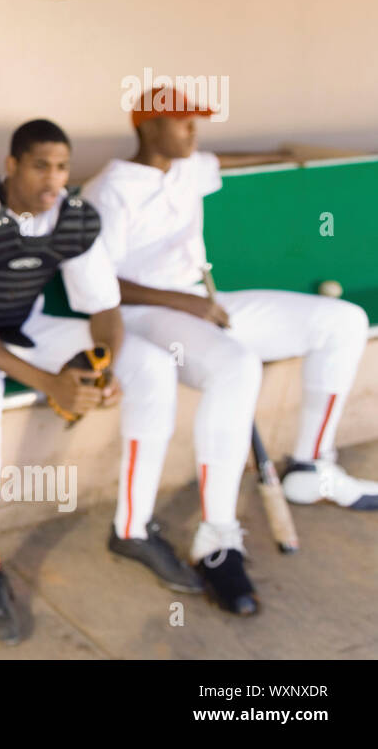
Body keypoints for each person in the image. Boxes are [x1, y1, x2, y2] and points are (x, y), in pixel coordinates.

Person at [83, 86, 376, 610]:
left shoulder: (187, 166)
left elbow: (229, 160)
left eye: (196, 121)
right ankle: (217, 535)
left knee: (343, 321)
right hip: (142, 316)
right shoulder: (110, 189)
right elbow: (99, 282)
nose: (193, 131)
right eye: (184, 122)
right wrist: (184, 304)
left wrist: (289, 154)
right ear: (148, 127)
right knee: (237, 366)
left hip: (203, 300)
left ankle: (310, 468)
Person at [0, 119, 200, 644]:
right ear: (12, 166)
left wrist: (101, 367)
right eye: (41, 165)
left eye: (63, 167)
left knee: (152, 364)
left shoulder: (71, 215)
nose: (54, 180)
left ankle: (133, 528)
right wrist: (52, 383)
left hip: (26, 325)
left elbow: (105, 307)